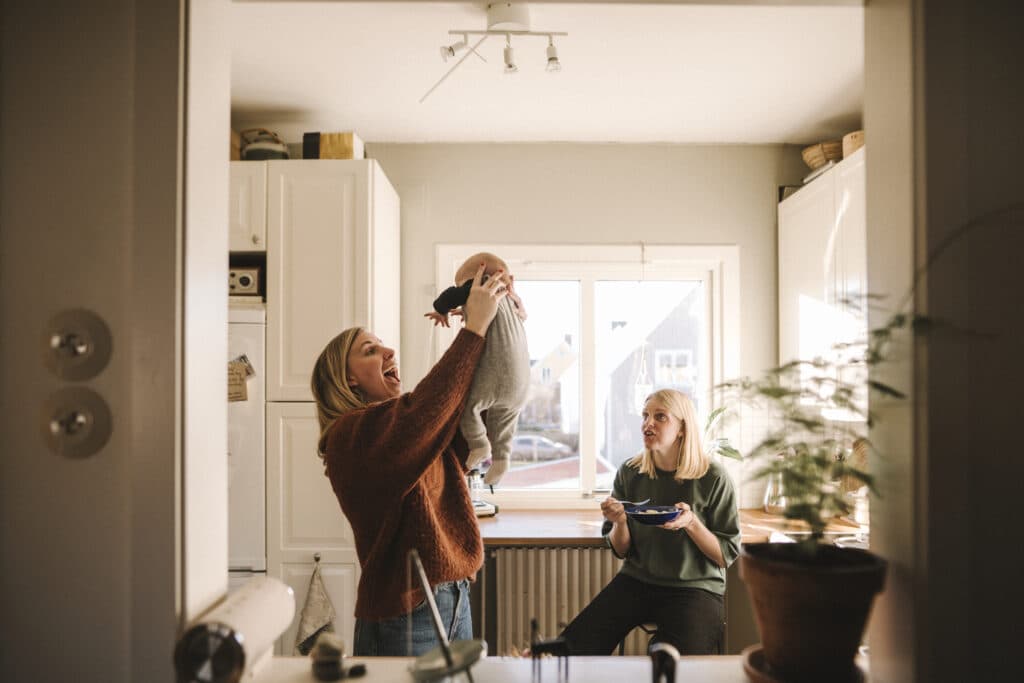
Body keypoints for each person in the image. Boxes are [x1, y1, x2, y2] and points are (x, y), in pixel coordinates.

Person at [310, 263, 508, 656]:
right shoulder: (350, 436)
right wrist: (473, 333)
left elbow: (464, 432)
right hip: (405, 611)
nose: (389, 351)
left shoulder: (401, 433)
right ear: (347, 379)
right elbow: (426, 410)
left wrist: (501, 322)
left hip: (453, 598)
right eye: (370, 350)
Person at [559, 389, 741, 656]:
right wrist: (620, 522)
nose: (648, 423)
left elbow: (725, 555)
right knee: (572, 649)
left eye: (660, 416)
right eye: (645, 416)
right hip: (637, 582)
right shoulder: (630, 473)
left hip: (695, 589)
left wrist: (691, 523)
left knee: (669, 663)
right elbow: (621, 550)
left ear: (682, 428)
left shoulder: (713, 477)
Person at [425, 252, 530, 486]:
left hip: (496, 375)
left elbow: (448, 297)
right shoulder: (512, 302)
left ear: (482, 275)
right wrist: (467, 311)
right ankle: (502, 458)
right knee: (504, 422)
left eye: (461, 283)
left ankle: (479, 445)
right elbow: (499, 319)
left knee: (469, 407)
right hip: (521, 384)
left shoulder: (479, 286)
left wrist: (440, 309)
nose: (462, 289)